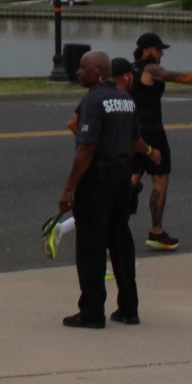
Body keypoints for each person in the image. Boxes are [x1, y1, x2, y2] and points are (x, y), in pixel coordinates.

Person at [57, 49, 152, 328]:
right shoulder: (125, 99)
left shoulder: (93, 100)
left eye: (83, 67)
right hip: (122, 176)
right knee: (120, 240)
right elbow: (135, 142)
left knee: (91, 245)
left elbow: (86, 148)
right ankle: (129, 308)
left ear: (98, 72)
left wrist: (68, 189)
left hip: (98, 178)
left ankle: (92, 311)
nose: (78, 72)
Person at [130, 32, 192, 251]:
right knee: (160, 181)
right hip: (152, 131)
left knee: (132, 178)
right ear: (146, 50)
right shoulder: (150, 69)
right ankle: (156, 232)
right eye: (158, 49)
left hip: (133, 131)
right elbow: (180, 76)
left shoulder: (130, 70)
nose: (161, 53)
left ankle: (112, 226)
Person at [42, 58, 134, 261]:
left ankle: (63, 231)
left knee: (105, 215)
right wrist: (95, 141)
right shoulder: (101, 99)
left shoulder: (111, 98)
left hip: (114, 166)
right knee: (108, 216)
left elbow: (74, 124)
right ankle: (106, 265)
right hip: (111, 167)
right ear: (125, 76)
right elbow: (75, 125)